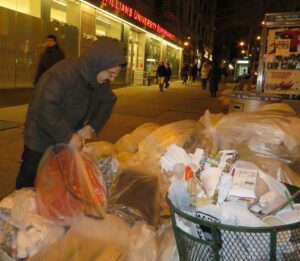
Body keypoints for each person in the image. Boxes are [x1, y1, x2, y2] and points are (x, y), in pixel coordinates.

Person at [16, 37, 127, 189]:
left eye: (115, 75)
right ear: (99, 63)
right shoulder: (62, 74)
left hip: (65, 137)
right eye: (111, 73)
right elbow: (43, 108)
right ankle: (16, 208)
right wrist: (67, 136)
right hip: (40, 135)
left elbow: (108, 102)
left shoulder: (100, 81)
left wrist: (91, 126)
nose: (112, 78)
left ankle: (45, 207)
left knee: (54, 179)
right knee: (30, 176)